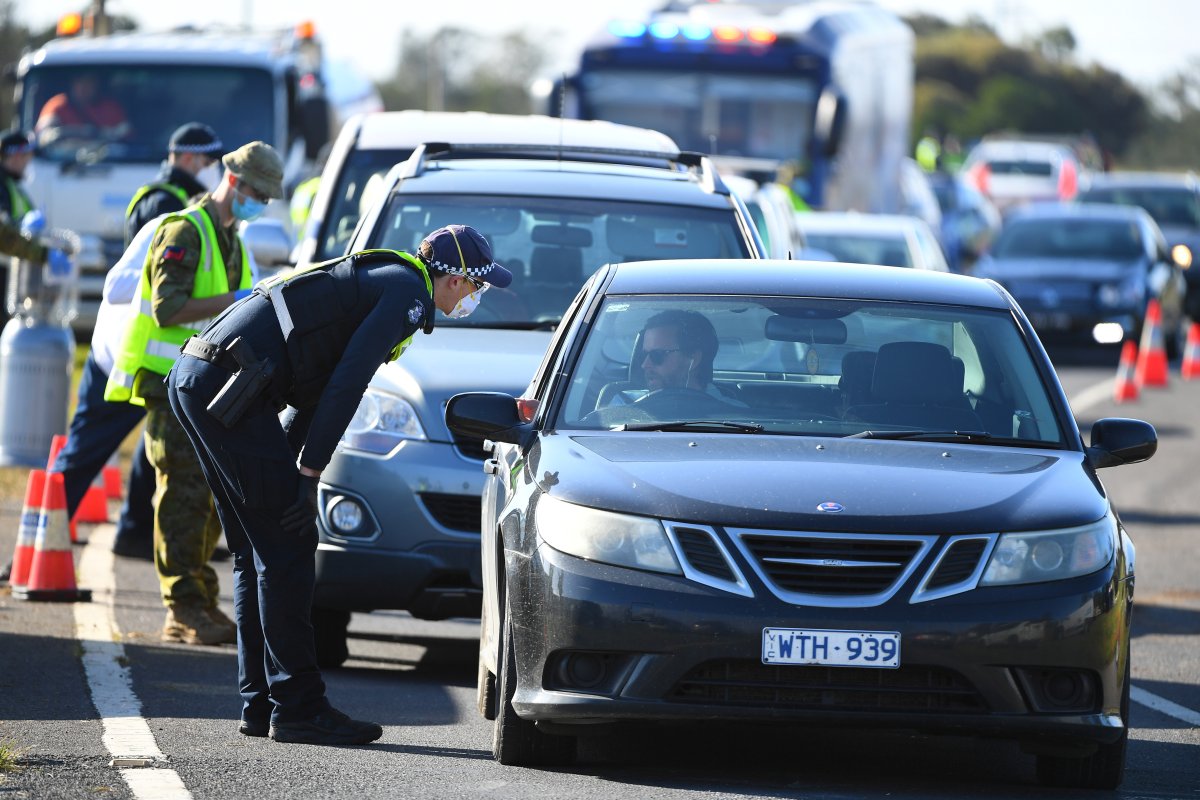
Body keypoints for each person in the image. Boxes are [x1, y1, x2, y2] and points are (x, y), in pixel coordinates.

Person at [166, 223, 512, 745]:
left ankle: (261, 703)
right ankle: (299, 707)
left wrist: (297, 464)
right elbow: (346, 384)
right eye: (477, 286)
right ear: (456, 277)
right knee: (288, 545)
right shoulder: (407, 294)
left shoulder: (388, 276)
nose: (475, 298)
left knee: (257, 547)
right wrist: (308, 473)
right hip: (228, 390)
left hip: (204, 378)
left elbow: (318, 384)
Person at [104, 141, 279, 647]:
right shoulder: (185, 229)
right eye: (259, 195)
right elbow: (167, 308)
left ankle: (200, 599)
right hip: (166, 384)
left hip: (205, 385)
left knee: (204, 497)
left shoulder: (231, 237)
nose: (260, 205)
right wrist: (238, 300)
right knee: (181, 494)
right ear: (237, 184)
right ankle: (182, 607)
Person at [125, 122, 224, 248]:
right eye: (208, 163)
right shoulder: (166, 203)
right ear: (187, 159)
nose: (214, 170)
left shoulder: (180, 196)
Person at [35, 72, 129, 142]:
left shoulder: (110, 108)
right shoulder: (58, 106)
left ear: (96, 85)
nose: (84, 88)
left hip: (107, 159)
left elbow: (126, 133)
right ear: (72, 84)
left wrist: (106, 134)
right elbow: (42, 133)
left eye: (89, 82)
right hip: (65, 160)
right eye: (80, 82)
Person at [0, 130, 35, 226]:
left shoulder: (10, 183)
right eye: (26, 156)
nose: (27, 162)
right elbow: (4, 226)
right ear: (17, 157)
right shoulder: (2, 186)